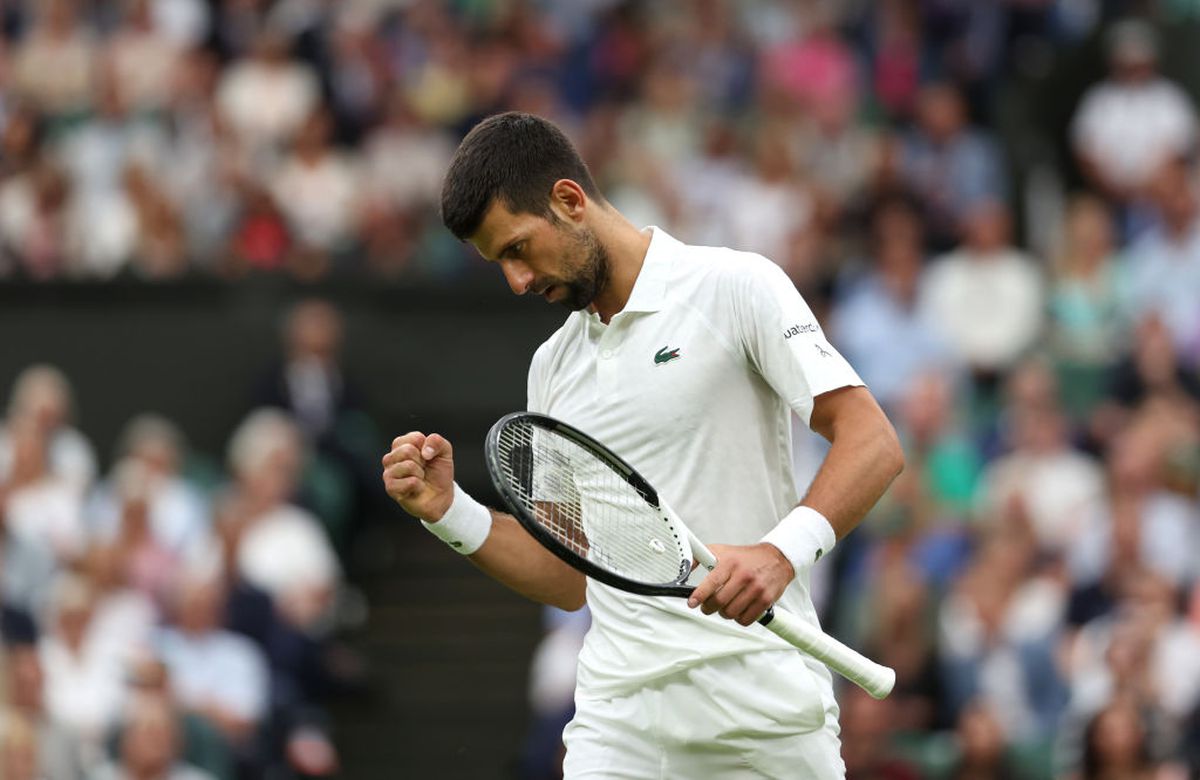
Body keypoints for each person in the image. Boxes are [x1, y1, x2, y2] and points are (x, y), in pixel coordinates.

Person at [381, 112, 904, 776]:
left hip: (766, 718)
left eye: (517, 248)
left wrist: (780, 554)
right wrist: (448, 510)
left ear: (569, 201)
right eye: (498, 264)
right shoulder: (551, 368)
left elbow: (873, 441)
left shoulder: (736, 287)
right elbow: (571, 576)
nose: (515, 281)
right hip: (619, 728)